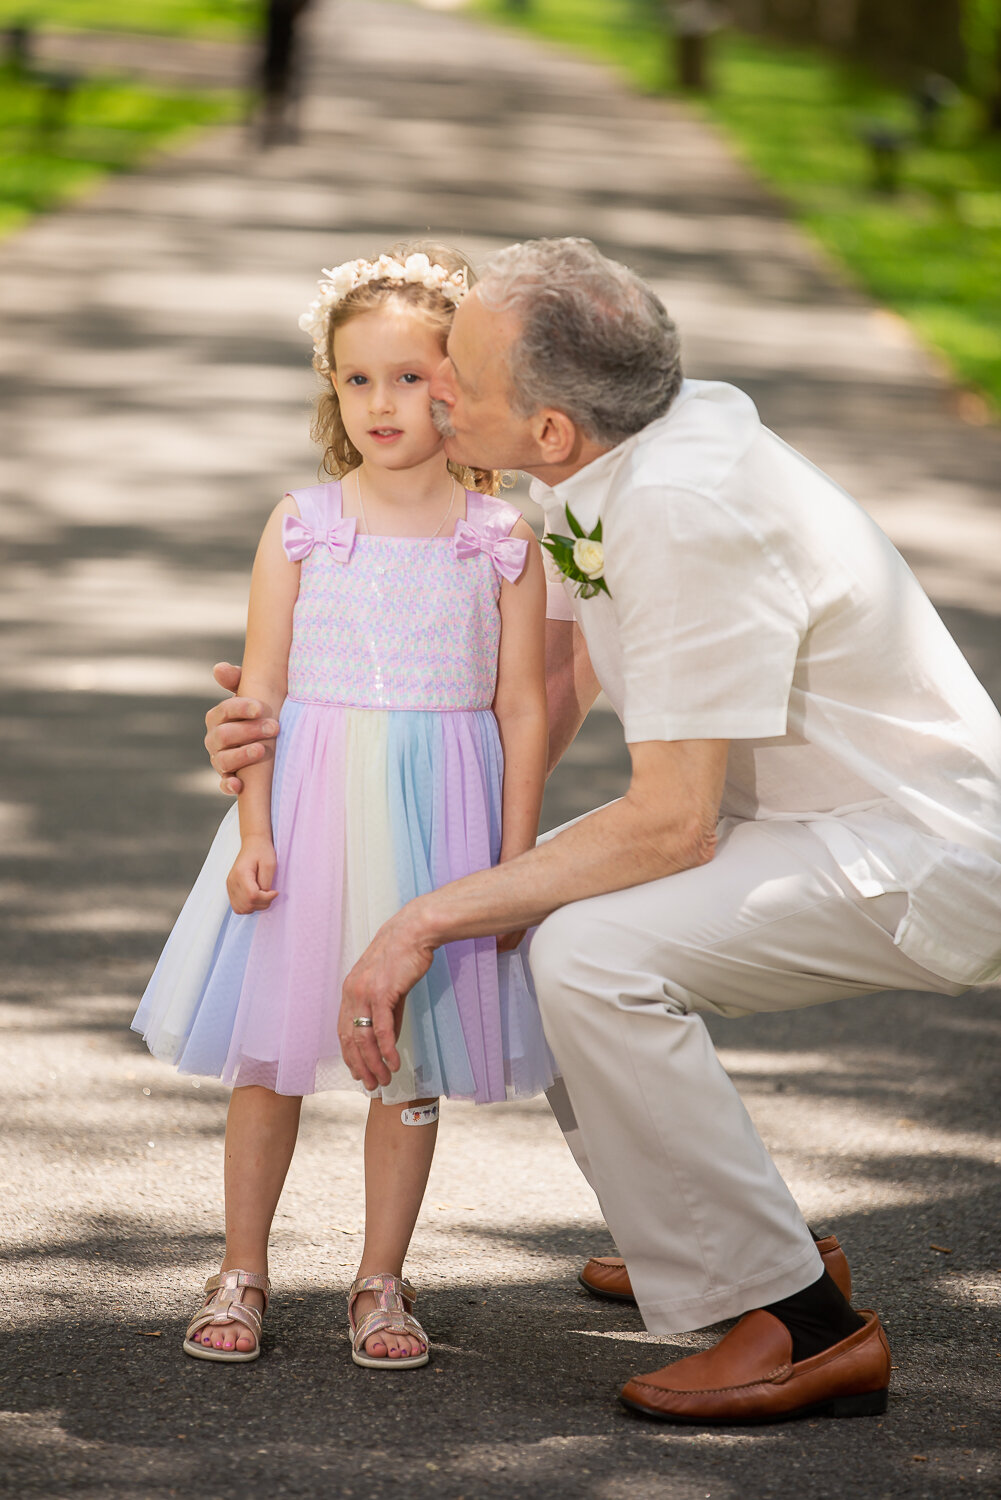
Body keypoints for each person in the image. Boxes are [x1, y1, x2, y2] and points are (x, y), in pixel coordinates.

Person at [205, 237, 1001, 1423]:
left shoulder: (680, 513)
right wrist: (326, 730)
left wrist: (425, 914)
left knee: (586, 952)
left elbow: (671, 825)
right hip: (784, 809)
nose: (431, 397)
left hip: (908, 849)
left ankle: (801, 1322)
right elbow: (556, 669)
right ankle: (702, 1235)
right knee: (540, 917)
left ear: (550, 432)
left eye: (453, 381)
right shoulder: (628, 445)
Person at [133, 243, 552, 1368]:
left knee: (403, 1058)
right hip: (310, 806)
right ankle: (241, 1266)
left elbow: (521, 710)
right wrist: (254, 833)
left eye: (411, 377)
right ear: (331, 384)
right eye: (358, 378)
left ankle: (379, 1278)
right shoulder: (304, 523)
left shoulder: (500, 538)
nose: (382, 402)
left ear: (457, 383)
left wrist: (508, 870)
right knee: (270, 1055)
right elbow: (260, 695)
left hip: (442, 816)